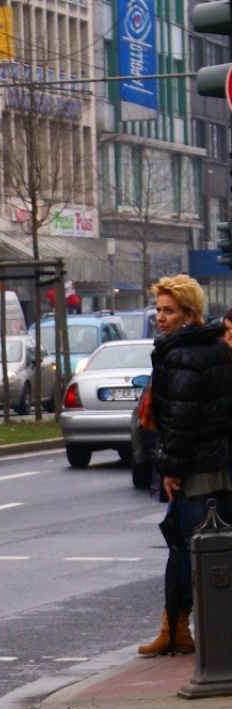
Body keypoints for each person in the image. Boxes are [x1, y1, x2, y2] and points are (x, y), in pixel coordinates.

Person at [138, 276, 232, 656]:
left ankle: (185, 631)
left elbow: (180, 419)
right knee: (198, 547)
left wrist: (171, 470)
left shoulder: (181, 354)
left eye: (169, 311)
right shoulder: (215, 347)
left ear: (188, 314)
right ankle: (177, 628)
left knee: (191, 550)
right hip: (219, 466)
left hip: (196, 470)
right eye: (158, 310)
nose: (160, 318)